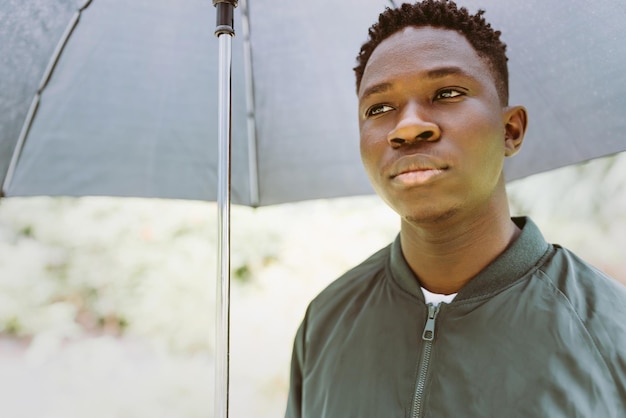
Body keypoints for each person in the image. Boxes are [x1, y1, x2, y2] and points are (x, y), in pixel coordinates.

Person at [284, 1, 626, 417]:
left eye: (446, 93)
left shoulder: (611, 331)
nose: (407, 127)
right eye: (379, 108)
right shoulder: (324, 325)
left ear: (510, 130)